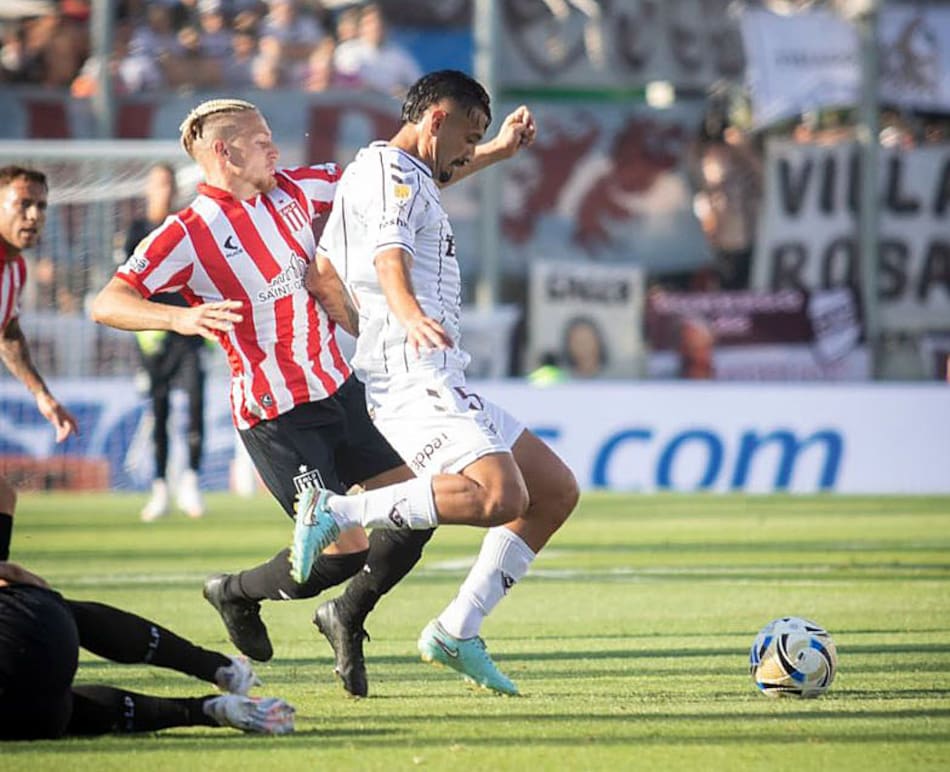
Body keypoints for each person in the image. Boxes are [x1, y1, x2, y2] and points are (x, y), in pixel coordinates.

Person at [89, 98, 530, 692]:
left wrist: (496, 150)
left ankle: (347, 616)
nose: (276, 149)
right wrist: (178, 321)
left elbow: (406, 172)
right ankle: (235, 592)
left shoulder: (298, 191)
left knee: (419, 509)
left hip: (340, 391)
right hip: (276, 416)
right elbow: (107, 301)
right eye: (263, 140)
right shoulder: (186, 232)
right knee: (343, 552)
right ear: (225, 151)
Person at [307, 70, 579, 696]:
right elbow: (387, 257)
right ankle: (335, 512)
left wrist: (499, 152)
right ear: (434, 119)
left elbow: (326, 271)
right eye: (469, 132)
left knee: (554, 491)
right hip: (412, 373)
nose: (469, 146)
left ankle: (456, 629)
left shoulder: (394, 173)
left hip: (436, 373)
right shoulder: (394, 176)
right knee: (500, 497)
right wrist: (403, 314)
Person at [0, 521, 293, 738]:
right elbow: (6, 497)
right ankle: (219, 668)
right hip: (35, 634)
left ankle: (208, 711)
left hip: (31, 722)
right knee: (41, 605)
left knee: (61, 713)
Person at [0, 166, 79, 564]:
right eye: (23, 204)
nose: (33, 215)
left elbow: (8, 332)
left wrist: (41, 394)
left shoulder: (14, 269)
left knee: (3, 497)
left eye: (41, 206)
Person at [123, 163, 207, 521]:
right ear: (147, 188)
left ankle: (190, 482)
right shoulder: (137, 231)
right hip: (152, 338)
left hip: (188, 334)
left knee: (196, 404)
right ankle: (159, 488)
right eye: (158, 183)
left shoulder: (183, 227)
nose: (164, 189)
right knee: (159, 412)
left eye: (168, 183)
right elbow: (127, 285)